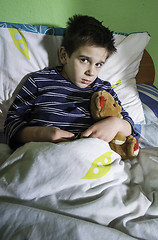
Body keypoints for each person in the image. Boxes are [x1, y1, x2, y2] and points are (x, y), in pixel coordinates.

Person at [4, 15, 137, 149]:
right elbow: (11, 124)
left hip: (91, 155)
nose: (91, 72)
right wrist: (39, 133)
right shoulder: (38, 81)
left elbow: (129, 126)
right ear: (64, 55)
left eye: (98, 64)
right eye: (84, 60)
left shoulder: (102, 89)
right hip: (44, 150)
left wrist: (115, 124)